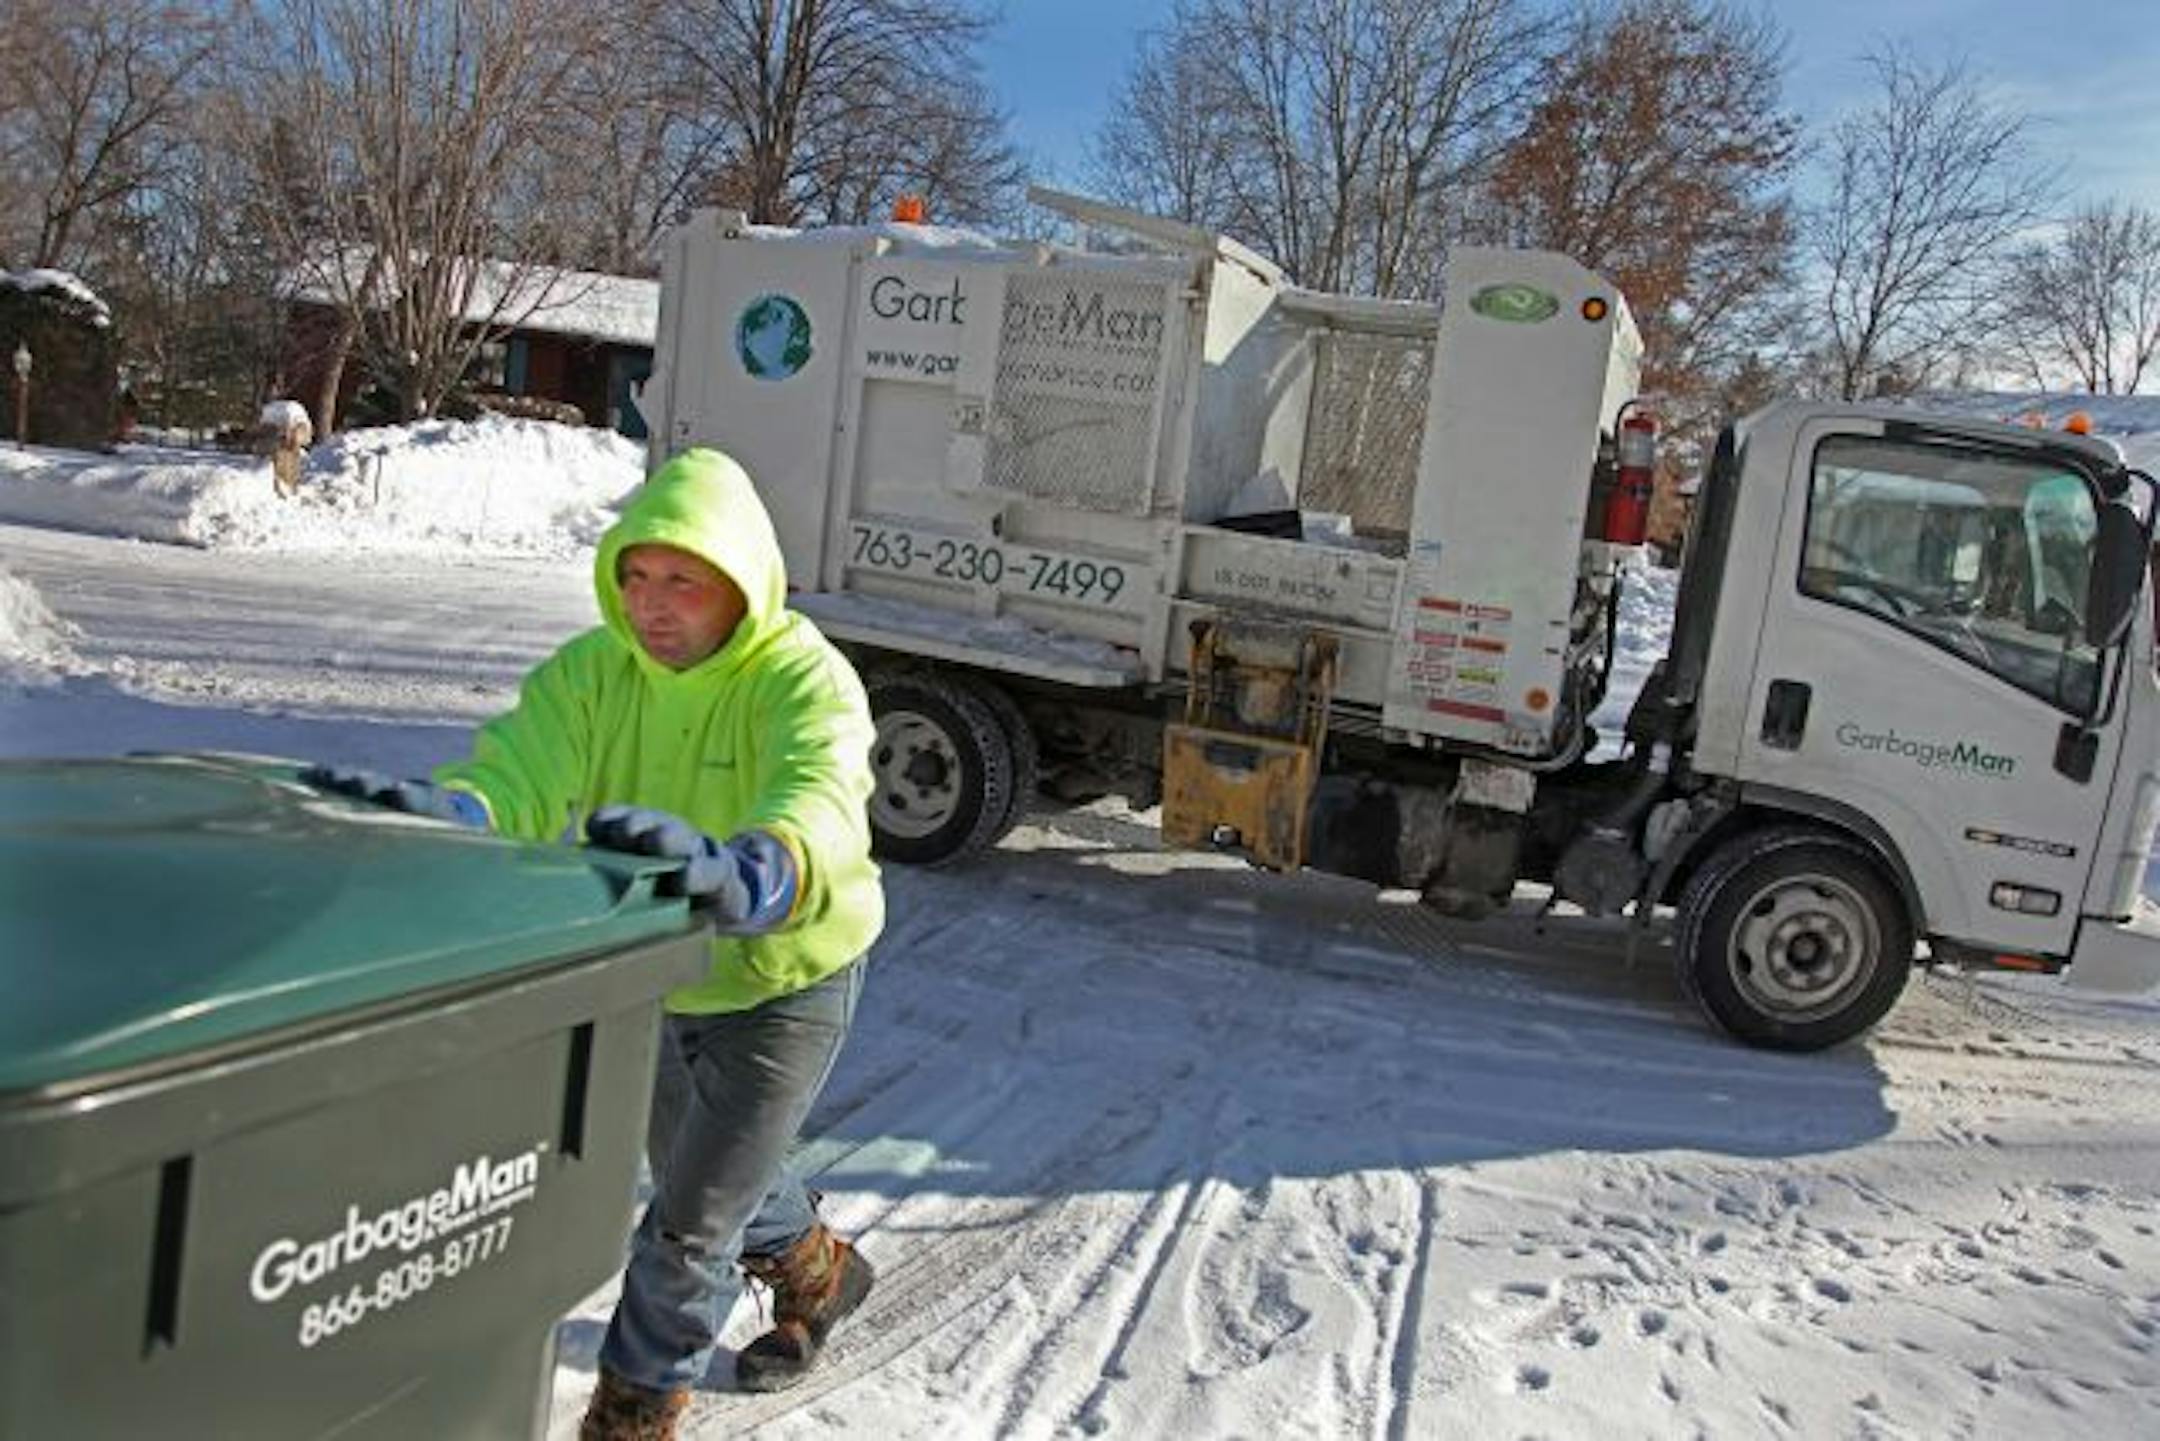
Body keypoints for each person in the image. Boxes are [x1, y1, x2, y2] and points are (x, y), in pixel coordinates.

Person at [302, 448, 884, 1439]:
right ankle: (821, 1271)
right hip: (654, 963)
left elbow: (819, 793)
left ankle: (630, 1419)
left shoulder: (802, 677)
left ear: (742, 580)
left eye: (683, 580)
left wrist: (761, 870)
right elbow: (522, 770)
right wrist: (466, 813)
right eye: (637, 575)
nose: (651, 603)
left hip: (786, 976)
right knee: (709, 1175)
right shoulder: (592, 674)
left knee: (689, 1227)